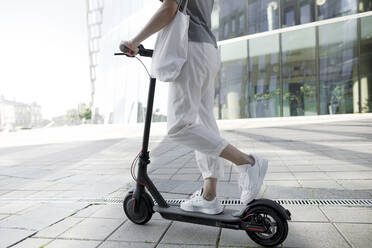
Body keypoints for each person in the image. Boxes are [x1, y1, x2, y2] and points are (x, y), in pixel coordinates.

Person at [121, 0, 268, 215]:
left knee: (179, 127)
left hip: (189, 48)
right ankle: (209, 196)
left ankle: (247, 162)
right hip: (208, 50)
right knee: (203, 123)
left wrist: (134, 42)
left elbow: (169, 9)